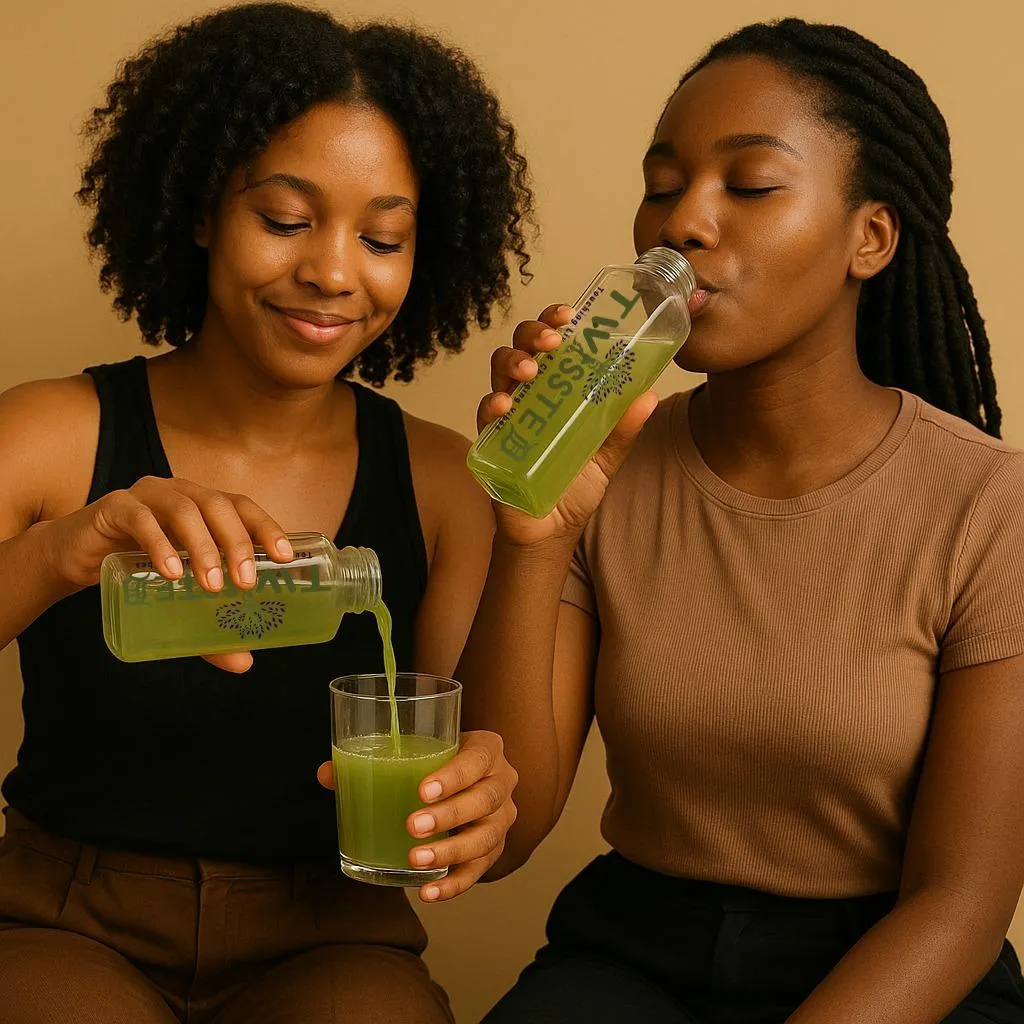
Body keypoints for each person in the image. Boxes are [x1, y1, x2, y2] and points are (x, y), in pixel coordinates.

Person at [462, 17, 1024, 1024]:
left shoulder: (990, 505)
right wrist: (531, 531)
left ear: (870, 237)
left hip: (894, 964)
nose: (684, 222)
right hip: (637, 953)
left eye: (750, 184)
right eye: (663, 184)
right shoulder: (608, 466)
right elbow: (499, 836)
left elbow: (964, 898)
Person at [0, 4, 530, 1022]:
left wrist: (480, 790)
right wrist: (67, 549)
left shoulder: (445, 482)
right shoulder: (50, 434)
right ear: (201, 208)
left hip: (335, 935)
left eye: (382, 237)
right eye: (285, 219)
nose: (332, 271)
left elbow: (497, 789)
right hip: (65, 920)